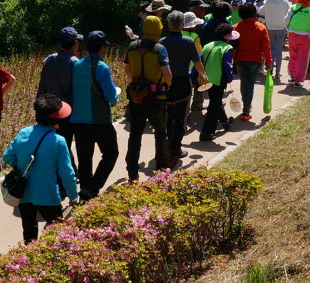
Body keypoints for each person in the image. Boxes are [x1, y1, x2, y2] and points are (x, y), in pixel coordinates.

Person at [2, 94, 78, 243]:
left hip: (23, 193)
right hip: (48, 194)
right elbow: (67, 173)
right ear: (57, 118)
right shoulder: (58, 141)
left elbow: (7, 157)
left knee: (29, 230)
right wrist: (73, 195)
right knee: (56, 232)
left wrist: (22, 166)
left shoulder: (24, 132)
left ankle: (28, 259)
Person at [68, 31, 120, 200]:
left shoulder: (77, 65)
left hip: (77, 119)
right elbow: (111, 96)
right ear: (103, 48)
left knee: (84, 157)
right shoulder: (102, 68)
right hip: (99, 119)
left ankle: (84, 189)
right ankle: (94, 185)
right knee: (111, 153)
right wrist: (117, 95)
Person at [124, 15, 173, 180]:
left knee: (135, 134)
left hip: (136, 96)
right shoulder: (160, 49)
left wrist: (133, 88)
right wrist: (168, 85)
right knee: (160, 133)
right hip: (156, 97)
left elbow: (128, 72)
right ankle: (161, 166)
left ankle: (132, 171)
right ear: (159, 29)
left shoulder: (131, 46)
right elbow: (167, 74)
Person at [160, 11, 208, 159]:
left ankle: (166, 145)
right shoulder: (188, 41)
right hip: (183, 82)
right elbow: (197, 62)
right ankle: (176, 148)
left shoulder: (161, 42)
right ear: (182, 25)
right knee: (181, 116)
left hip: (165, 83)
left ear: (168, 25)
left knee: (168, 114)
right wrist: (203, 74)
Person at [37, 26, 84, 161]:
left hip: (48, 109)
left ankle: (66, 171)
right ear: (75, 43)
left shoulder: (49, 60)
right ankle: (69, 173)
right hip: (67, 113)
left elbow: (42, 86)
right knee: (65, 143)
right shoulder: (76, 63)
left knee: (52, 143)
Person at [232, 4, 273, 121]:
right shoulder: (261, 27)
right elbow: (266, 47)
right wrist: (269, 62)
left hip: (239, 60)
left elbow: (232, 46)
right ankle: (246, 111)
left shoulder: (236, 27)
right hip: (255, 61)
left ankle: (247, 106)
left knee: (244, 83)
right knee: (249, 84)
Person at [199, 23, 237, 142]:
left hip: (206, 79)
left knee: (216, 100)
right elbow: (227, 65)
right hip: (219, 80)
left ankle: (225, 122)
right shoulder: (227, 48)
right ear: (227, 38)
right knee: (214, 106)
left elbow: (199, 61)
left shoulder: (207, 46)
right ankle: (206, 132)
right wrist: (230, 77)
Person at [284, 0, 310, 88]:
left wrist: (289, 29)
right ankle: (299, 81)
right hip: (305, 37)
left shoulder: (294, 7)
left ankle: (292, 76)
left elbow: (285, 20)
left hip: (292, 35)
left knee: (293, 56)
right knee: (303, 59)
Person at [260, 0, 290, 82]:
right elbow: (289, 12)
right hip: (281, 28)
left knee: (270, 49)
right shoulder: (284, 1)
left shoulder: (267, 1)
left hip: (270, 28)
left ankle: (270, 68)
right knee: (279, 51)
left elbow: (261, 12)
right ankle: (278, 73)